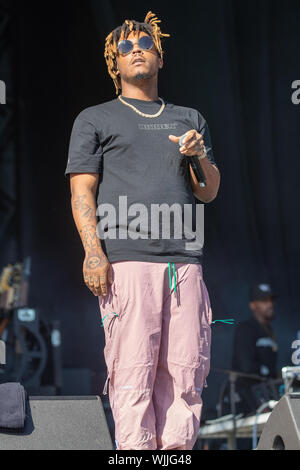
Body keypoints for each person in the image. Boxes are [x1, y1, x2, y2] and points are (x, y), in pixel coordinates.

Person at [65, 11, 220, 450]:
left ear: (160, 56)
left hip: (185, 263)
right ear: (114, 62)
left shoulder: (188, 118)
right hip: (127, 262)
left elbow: (208, 192)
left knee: (186, 373)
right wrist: (93, 252)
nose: (137, 50)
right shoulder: (95, 118)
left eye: (145, 44)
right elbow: (82, 191)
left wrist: (199, 154)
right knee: (133, 374)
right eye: (126, 47)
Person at [231, 283, 279, 415]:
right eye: (264, 301)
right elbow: (245, 366)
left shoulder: (270, 331)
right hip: (248, 402)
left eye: (271, 300)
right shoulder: (246, 329)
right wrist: (267, 372)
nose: (270, 304)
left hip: (268, 395)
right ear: (252, 305)